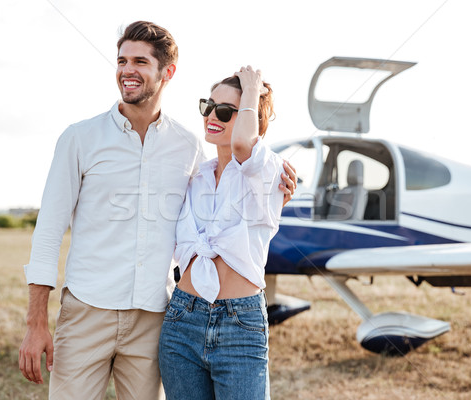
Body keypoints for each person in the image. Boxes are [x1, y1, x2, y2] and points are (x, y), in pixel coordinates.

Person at [18, 22, 296, 400]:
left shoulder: (189, 148)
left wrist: (277, 185)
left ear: (167, 73)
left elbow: (242, 168)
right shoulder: (79, 139)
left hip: (156, 319)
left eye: (139, 61)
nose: (126, 70)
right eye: (121, 60)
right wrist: (36, 323)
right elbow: (48, 232)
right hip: (87, 313)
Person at [158, 66, 283, 400]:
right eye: (208, 106)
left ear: (250, 117)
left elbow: (243, 145)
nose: (212, 116)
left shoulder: (269, 170)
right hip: (182, 319)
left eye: (226, 111)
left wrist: (253, 86)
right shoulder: (195, 176)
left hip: (240, 325)